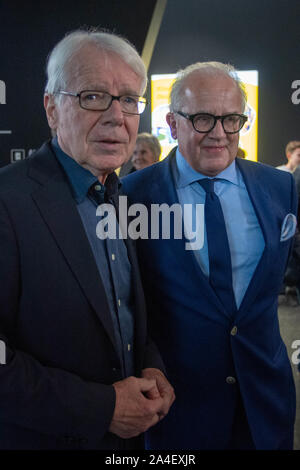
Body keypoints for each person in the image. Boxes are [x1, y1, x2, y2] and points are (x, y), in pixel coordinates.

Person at [0, 28, 174, 450]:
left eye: (130, 100)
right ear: (51, 109)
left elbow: (125, 311)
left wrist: (151, 367)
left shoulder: (120, 194)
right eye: (93, 96)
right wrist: (101, 407)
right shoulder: (8, 201)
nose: (117, 117)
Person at [122, 61, 297, 450]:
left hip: (265, 404)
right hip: (177, 411)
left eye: (232, 119)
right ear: (172, 122)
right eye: (202, 118)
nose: (219, 133)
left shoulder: (280, 187)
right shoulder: (130, 196)